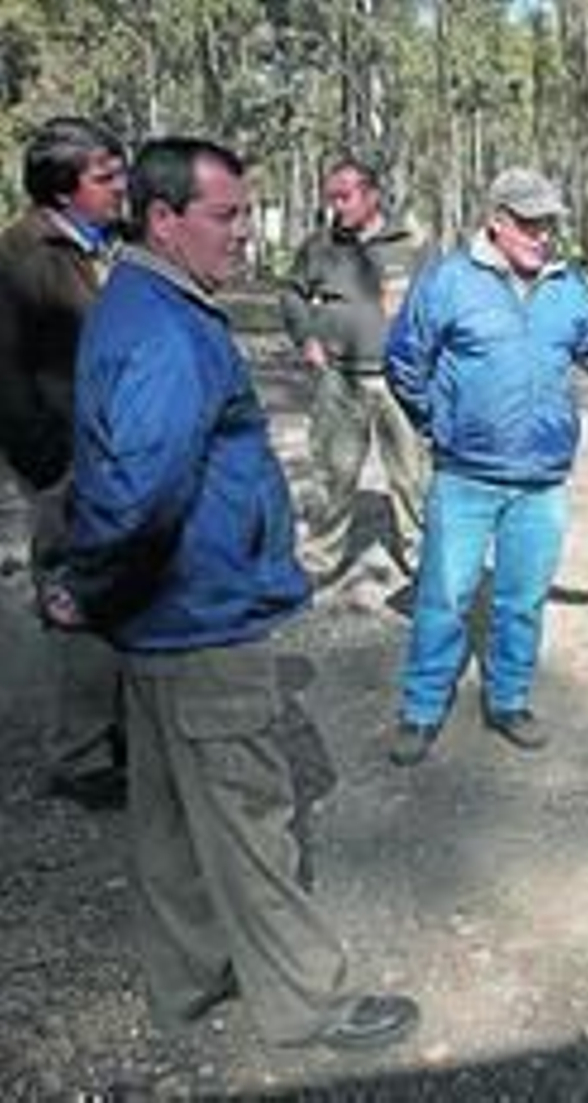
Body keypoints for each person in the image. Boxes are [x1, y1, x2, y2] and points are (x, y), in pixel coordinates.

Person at [40, 137, 419, 1050]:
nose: (245, 234)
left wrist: (91, 587)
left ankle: (190, 982)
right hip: (201, 617)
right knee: (254, 818)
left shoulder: (142, 301)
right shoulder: (166, 329)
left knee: (170, 820)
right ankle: (310, 1002)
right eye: (227, 216)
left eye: (246, 214)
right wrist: (85, 585)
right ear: (163, 219)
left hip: (164, 621)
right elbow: (141, 488)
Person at [385, 167, 588, 766]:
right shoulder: (448, 281)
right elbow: (405, 362)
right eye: (531, 223)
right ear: (497, 221)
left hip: (541, 482)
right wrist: (442, 425)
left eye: (550, 224)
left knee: (521, 599)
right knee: (444, 597)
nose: (544, 235)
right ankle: (421, 710)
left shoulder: (568, 286)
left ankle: (508, 700)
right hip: (465, 478)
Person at [0, 116, 128, 810]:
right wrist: (50, 469)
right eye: (105, 177)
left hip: (112, 459)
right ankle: (79, 756)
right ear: (61, 187)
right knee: (76, 600)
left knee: (122, 589)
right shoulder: (21, 257)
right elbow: (7, 381)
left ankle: (117, 730)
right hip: (66, 463)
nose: (120, 187)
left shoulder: (102, 247)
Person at [281, 156, 430, 584]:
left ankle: (423, 564)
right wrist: (305, 335)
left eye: (344, 197)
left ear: (372, 195)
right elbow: (292, 293)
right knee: (332, 474)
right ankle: (319, 561)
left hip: (401, 383)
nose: (337, 207)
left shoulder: (414, 244)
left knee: (413, 479)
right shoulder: (319, 246)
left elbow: (440, 303)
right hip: (339, 381)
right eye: (332, 198)